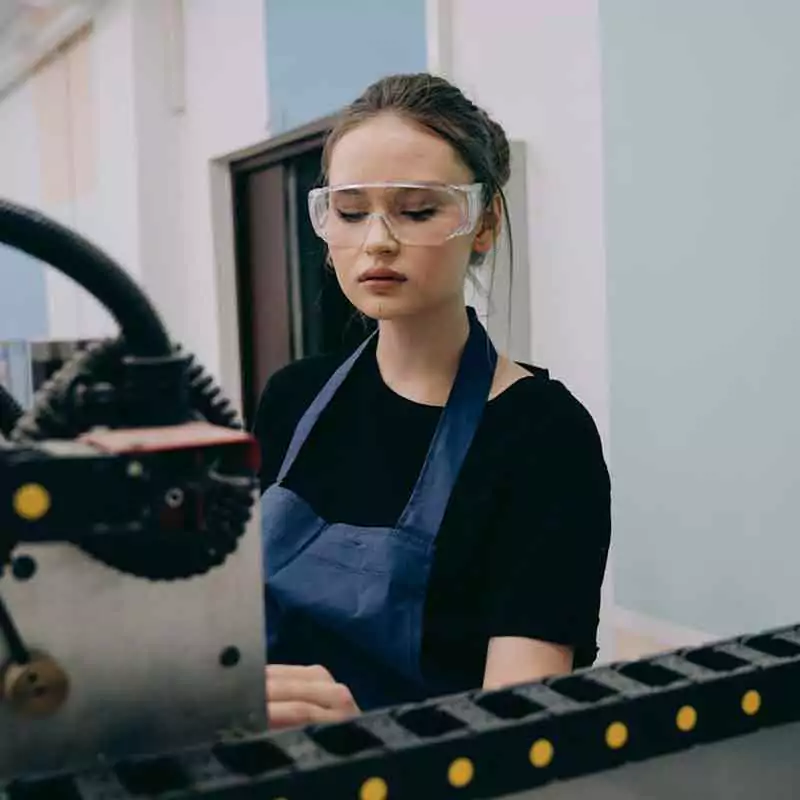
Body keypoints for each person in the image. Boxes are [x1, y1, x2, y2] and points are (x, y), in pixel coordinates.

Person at [254, 73, 611, 729]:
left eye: (418, 211)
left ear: (484, 224)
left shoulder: (542, 436)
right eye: (351, 211)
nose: (378, 241)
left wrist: (358, 740)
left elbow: (518, 723)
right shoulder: (291, 400)